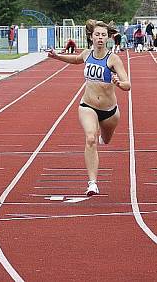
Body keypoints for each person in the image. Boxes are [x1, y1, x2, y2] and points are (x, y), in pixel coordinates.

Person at [47, 19, 131, 196]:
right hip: (88, 105)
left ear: (108, 38)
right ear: (91, 37)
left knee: (106, 140)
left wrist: (119, 82)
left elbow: (128, 84)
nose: (100, 38)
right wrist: (56, 56)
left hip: (109, 111)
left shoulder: (113, 59)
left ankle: (103, 136)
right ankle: (92, 183)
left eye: (103, 35)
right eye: (97, 35)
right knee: (91, 138)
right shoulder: (87, 54)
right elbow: (75, 59)